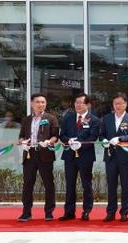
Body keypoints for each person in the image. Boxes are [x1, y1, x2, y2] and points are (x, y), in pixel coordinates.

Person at [17, 93, 59, 222]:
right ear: (31, 103)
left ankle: (49, 212)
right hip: (29, 154)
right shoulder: (26, 119)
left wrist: (49, 141)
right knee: (28, 184)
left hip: (45, 154)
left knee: (48, 183)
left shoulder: (51, 118)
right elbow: (21, 136)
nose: (41, 104)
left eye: (43, 102)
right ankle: (26, 212)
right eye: (38, 102)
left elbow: (55, 136)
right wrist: (23, 142)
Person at [58, 93, 100, 221]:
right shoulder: (68, 118)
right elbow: (62, 135)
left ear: (88, 105)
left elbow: (93, 137)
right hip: (69, 155)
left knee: (86, 184)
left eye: (81, 102)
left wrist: (80, 144)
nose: (78, 105)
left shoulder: (94, 120)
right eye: (76, 102)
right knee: (70, 184)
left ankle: (86, 211)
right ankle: (69, 212)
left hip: (85, 155)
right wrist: (69, 140)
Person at [99, 92, 128, 222]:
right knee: (111, 185)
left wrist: (120, 138)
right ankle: (110, 212)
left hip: (125, 156)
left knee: (126, 185)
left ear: (125, 104)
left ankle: (124, 212)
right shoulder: (106, 118)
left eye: (120, 103)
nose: (118, 106)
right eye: (115, 103)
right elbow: (101, 135)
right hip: (110, 156)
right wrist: (104, 141)